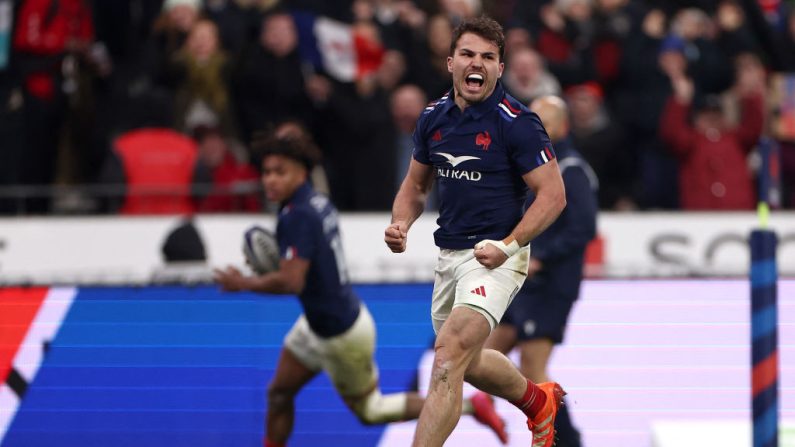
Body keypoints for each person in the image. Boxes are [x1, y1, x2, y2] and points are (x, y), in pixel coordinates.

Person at [213, 129, 508, 447]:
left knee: (372, 411)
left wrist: (241, 283)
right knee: (279, 392)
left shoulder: (297, 216)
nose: (270, 179)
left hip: (341, 334)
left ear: (302, 172)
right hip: (318, 324)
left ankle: (470, 407)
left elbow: (292, 280)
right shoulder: (316, 203)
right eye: (267, 172)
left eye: (280, 172)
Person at [384, 16, 568, 447]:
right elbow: (415, 185)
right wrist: (400, 222)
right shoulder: (433, 118)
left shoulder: (517, 122)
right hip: (450, 257)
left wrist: (509, 246)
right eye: (468, 54)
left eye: (488, 57)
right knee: (464, 359)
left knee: (446, 358)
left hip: (496, 256)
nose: (477, 63)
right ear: (451, 62)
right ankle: (536, 401)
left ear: (500, 69)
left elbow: (553, 196)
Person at [479, 95, 599, 447]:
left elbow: (583, 228)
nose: (536, 132)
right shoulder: (529, 168)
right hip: (523, 283)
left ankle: (567, 440)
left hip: (550, 284)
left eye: (543, 125)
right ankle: (483, 405)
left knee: (533, 366)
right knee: (478, 357)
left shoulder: (572, 170)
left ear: (562, 128)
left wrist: (541, 257)